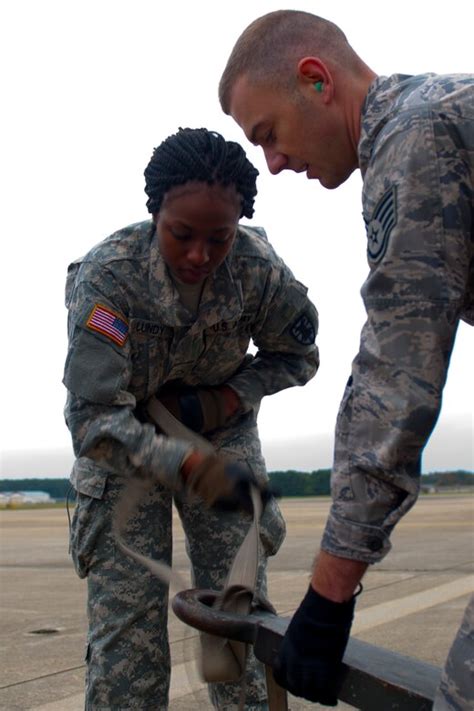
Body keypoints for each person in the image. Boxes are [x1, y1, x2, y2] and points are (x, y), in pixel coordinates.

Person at [219, 9, 473, 709]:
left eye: (268, 134)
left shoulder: (416, 137)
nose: (271, 163)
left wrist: (328, 599)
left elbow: (397, 377)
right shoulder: (440, 112)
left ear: (314, 79)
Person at [63, 126, 319, 710]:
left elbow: (299, 355)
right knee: (127, 648)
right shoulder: (110, 278)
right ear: (155, 215)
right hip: (126, 443)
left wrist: (226, 400)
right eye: (182, 235)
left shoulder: (257, 271)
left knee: (239, 623)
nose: (200, 255)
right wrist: (188, 464)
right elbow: (92, 422)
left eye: (219, 239)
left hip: (222, 435)